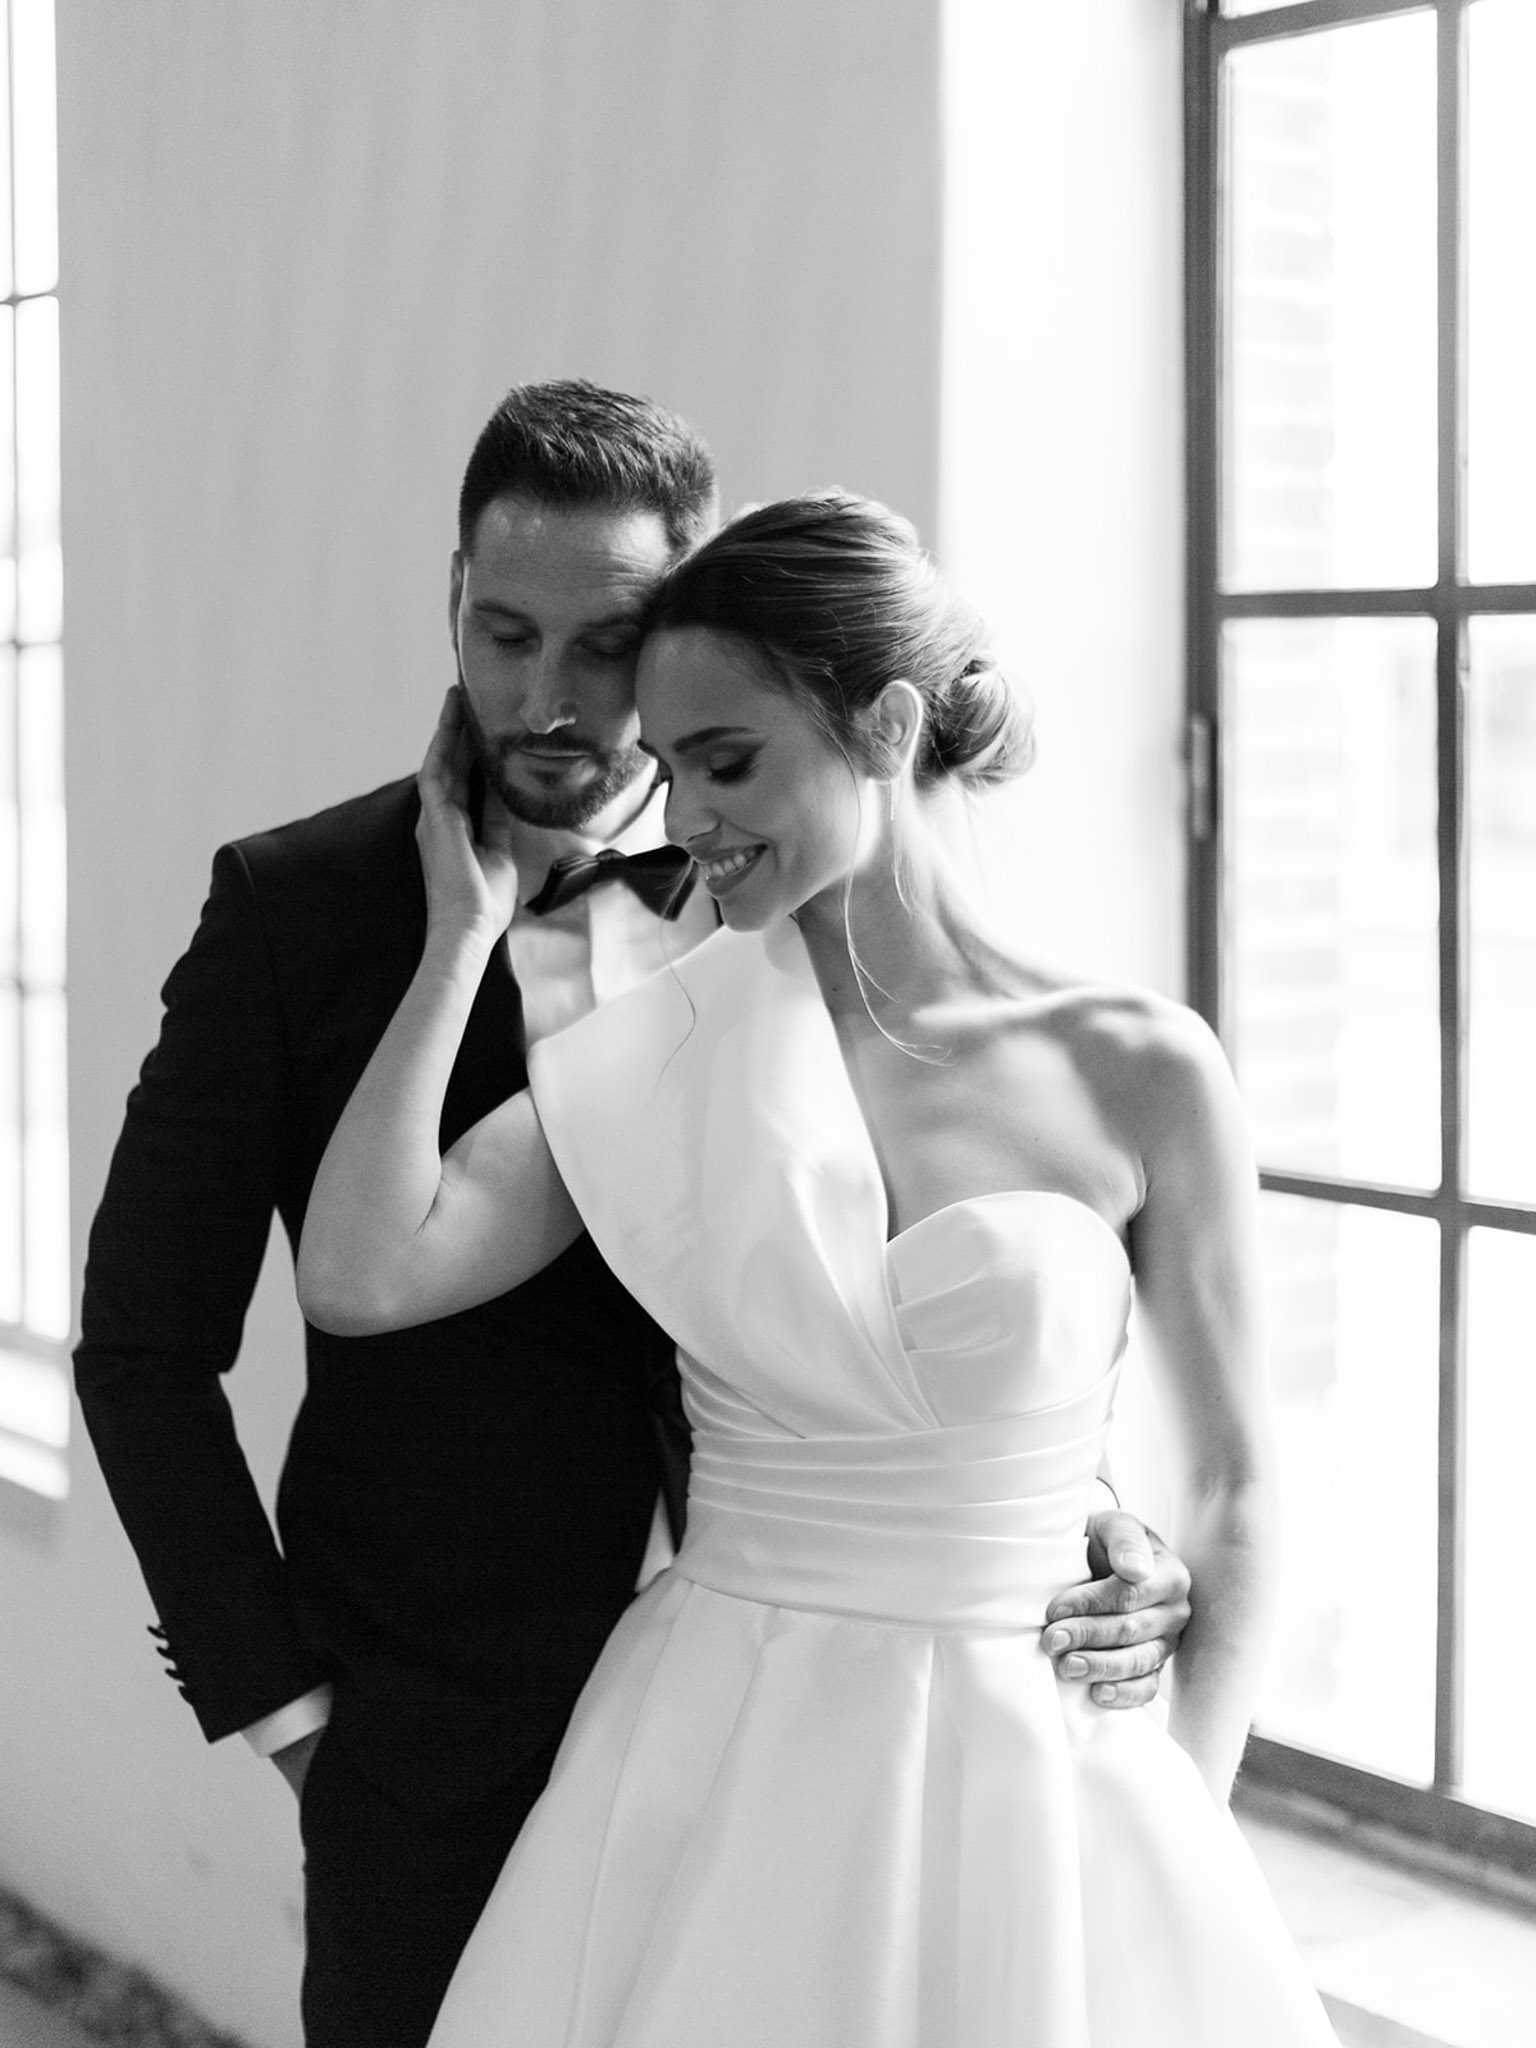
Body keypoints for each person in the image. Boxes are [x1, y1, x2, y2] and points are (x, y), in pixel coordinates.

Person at [75, 386, 1191, 2048]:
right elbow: (144, 1351)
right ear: (447, 597)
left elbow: (919, 1255)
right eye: (501, 631)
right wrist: (289, 1707)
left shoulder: (790, 892)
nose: (546, 697)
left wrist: (1081, 1511)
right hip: (439, 1746)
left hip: (799, 1743)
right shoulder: (293, 912)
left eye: (605, 647)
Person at [299, 490, 1340, 2046]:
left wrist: (1162, 1824)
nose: (689, 820)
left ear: (887, 721)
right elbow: (361, 1271)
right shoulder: (663, 1039)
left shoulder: (1141, 1068)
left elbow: (1247, 1490)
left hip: (1046, 1777)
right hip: (724, 1761)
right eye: (671, 772)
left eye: (731, 763)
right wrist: (465, 938)